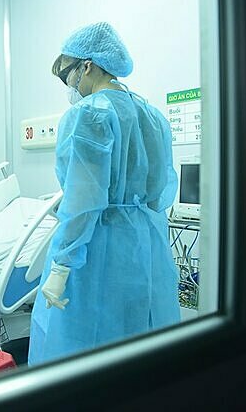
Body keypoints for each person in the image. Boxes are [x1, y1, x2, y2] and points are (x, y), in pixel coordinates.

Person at [28, 22, 180, 365]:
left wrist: (62, 266)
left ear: (87, 66)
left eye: (67, 74)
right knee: (141, 348)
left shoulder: (89, 115)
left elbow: (83, 202)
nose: (69, 85)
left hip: (97, 250)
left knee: (86, 353)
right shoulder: (153, 116)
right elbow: (159, 193)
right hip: (146, 248)